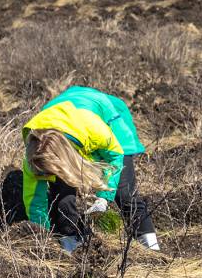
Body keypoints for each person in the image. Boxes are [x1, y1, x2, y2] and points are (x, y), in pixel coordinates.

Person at [22, 86, 159, 251]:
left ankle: (152, 249)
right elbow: (35, 202)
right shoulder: (36, 155)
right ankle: (72, 247)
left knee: (124, 195)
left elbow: (115, 156)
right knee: (63, 198)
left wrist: (103, 197)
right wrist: (41, 236)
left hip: (105, 116)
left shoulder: (93, 129)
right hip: (63, 119)